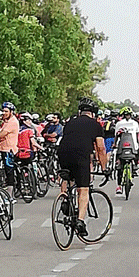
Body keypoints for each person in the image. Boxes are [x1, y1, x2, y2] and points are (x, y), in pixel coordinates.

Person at [56, 97, 107, 237]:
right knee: (83, 189)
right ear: (93, 113)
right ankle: (80, 221)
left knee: (67, 177)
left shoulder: (70, 123)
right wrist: (104, 168)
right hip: (80, 156)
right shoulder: (96, 125)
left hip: (63, 154)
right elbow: (101, 148)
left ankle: (65, 198)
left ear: (80, 112)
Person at [0, 102, 20, 196]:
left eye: (6, 111)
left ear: (11, 112)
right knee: (7, 171)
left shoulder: (12, 122)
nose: (3, 113)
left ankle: (9, 195)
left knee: (9, 172)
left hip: (8, 149)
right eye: (3, 111)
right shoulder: (6, 122)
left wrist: (0, 136)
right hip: (3, 148)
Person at [114, 110, 139, 194]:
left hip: (132, 146)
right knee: (119, 167)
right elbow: (116, 136)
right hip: (123, 146)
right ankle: (119, 186)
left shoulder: (134, 123)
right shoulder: (120, 123)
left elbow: (137, 135)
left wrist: (138, 143)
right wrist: (115, 144)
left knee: (134, 157)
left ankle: (134, 168)